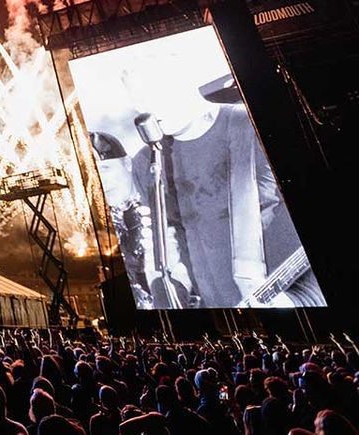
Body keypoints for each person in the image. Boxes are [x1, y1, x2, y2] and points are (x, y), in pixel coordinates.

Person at [119, 50, 324, 309]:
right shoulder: (148, 163)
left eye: (152, 96)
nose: (147, 111)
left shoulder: (252, 127)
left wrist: (301, 298)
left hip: (295, 304)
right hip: (218, 321)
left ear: (185, 81)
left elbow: (324, 221)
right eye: (138, 105)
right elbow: (173, 245)